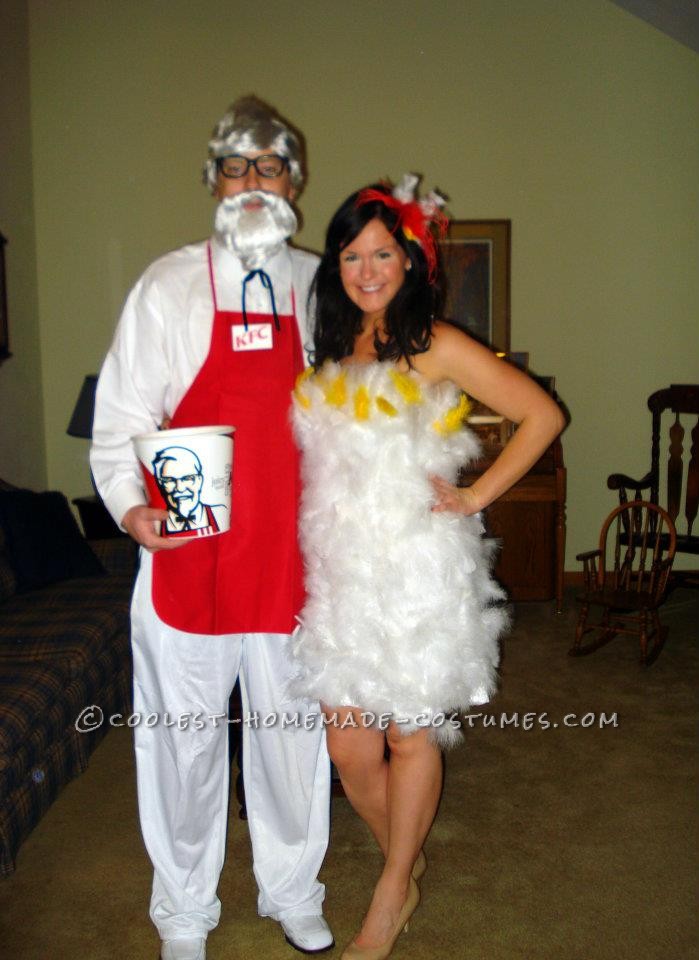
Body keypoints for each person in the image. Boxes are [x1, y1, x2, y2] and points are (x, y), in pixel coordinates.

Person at [291, 177, 565, 960]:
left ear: (409, 260)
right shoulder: (332, 350)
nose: (367, 268)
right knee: (349, 748)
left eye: (382, 252)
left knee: (410, 739)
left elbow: (540, 416)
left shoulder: (432, 343)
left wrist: (475, 493)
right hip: (342, 575)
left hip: (416, 572)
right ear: (335, 266)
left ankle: (390, 889)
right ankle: (403, 863)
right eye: (351, 254)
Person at [90, 96, 334, 960]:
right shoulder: (166, 284)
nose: (254, 183)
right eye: (237, 167)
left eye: (270, 166)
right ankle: (184, 909)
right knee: (182, 746)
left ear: (294, 180)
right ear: (214, 181)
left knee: (291, 742)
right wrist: (129, 508)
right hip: (191, 557)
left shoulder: (320, 283)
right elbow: (122, 418)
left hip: (291, 560)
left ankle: (291, 888)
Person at [152, 446, 226, 536]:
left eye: (187, 478)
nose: (180, 488)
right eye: (169, 480)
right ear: (160, 484)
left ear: (200, 480)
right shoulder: (155, 524)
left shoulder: (220, 513)